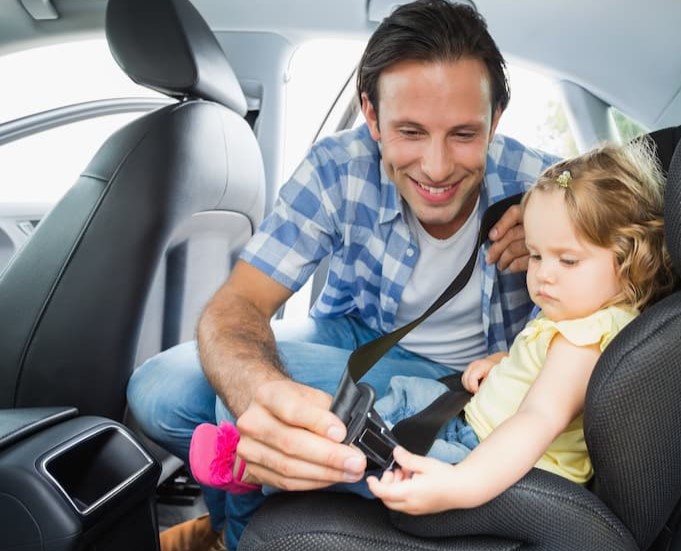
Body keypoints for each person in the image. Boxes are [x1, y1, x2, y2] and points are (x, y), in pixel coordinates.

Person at [126, 1, 560, 550]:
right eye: (409, 131)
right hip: (359, 336)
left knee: (232, 402)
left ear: (496, 119)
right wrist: (265, 391)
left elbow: (649, 256)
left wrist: (560, 239)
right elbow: (237, 306)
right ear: (372, 118)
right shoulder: (338, 166)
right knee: (161, 392)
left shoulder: (547, 186)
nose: (436, 167)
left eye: (463, 134)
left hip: (467, 384)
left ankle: (233, 537)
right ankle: (225, 520)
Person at [187, 140, 676, 516]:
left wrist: (458, 485)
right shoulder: (581, 316)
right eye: (539, 255)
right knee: (402, 396)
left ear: (630, 259)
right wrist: (504, 364)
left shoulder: (584, 338)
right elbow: (550, 376)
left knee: (380, 458)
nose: (543, 274)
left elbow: (539, 420)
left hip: (497, 462)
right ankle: (262, 460)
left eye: (567, 260)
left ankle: (252, 473)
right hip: (479, 427)